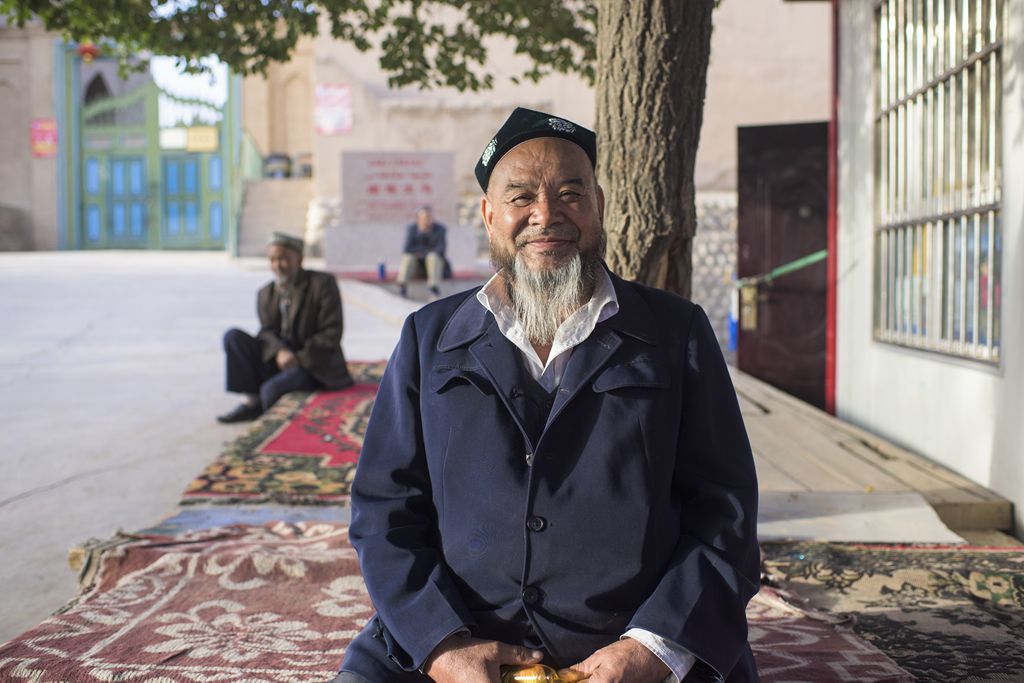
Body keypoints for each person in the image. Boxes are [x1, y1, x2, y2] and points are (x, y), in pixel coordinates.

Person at [337, 108, 760, 682]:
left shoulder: (675, 332)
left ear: (598, 206)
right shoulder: (428, 338)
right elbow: (384, 509)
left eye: (570, 194)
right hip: (456, 637)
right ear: (489, 216)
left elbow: (725, 511)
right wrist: (442, 647)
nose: (546, 215)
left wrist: (652, 649)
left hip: (632, 646)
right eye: (521, 197)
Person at [217, 231, 353, 423]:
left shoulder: (322, 284)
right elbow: (266, 331)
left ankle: (265, 406)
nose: (277, 266)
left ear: (300, 259)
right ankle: (251, 402)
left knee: (271, 391)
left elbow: (331, 332)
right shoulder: (265, 293)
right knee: (233, 337)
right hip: (280, 360)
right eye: (272, 260)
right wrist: (280, 351)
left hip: (314, 363)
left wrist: (297, 358)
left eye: (283, 259)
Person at [397, 207, 447, 299]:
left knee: (432, 256)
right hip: (417, 266)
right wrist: (425, 251)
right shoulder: (412, 229)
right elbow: (407, 249)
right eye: (425, 217)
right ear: (418, 219)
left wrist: (422, 252)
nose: (427, 220)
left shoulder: (440, 229)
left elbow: (441, 249)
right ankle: (402, 287)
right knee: (408, 257)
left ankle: (434, 289)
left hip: (434, 266)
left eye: (429, 217)